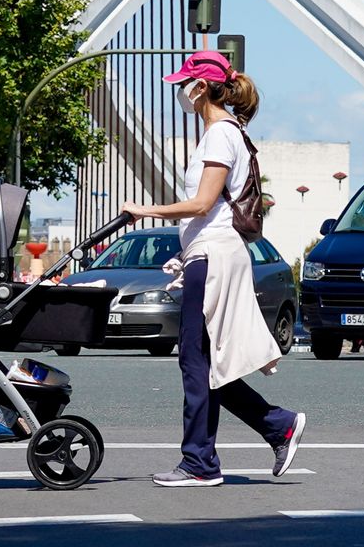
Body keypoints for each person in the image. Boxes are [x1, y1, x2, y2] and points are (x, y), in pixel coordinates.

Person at [120, 50, 305, 487]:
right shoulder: (226, 133)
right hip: (210, 254)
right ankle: (273, 427)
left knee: (195, 360)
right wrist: (186, 252)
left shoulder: (220, 134)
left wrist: (143, 209)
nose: (180, 91)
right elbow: (211, 214)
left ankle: (201, 462)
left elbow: (203, 204)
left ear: (201, 87)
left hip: (216, 257)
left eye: (184, 82)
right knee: (203, 362)